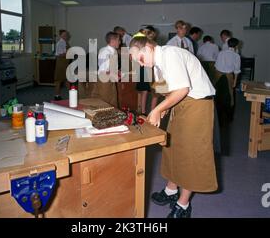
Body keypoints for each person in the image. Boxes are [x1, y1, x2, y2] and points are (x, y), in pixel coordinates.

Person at [129, 35, 217, 218]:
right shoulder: (158, 64)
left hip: (197, 105)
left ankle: (183, 205)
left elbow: (182, 89)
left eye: (141, 58)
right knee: (172, 147)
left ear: (148, 48)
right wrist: (160, 111)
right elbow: (167, 94)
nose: (141, 64)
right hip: (182, 105)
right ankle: (171, 191)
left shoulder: (170, 54)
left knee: (190, 154)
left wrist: (156, 110)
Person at [214, 38, 241, 128]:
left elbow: (216, 66)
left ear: (228, 44)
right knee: (229, 97)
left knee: (218, 96)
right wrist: (234, 82)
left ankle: (218, 118)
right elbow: (237, 71)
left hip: (218, 76)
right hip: (229, 76)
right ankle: (229, 118)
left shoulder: (221, 53)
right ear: (236, 46)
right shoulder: (236, 56)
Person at [89, 31, 120, 108]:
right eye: (118, 40)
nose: (120, 42)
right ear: (113, 41)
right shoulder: (105, 51)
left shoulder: (113, 51)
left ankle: (112, 119)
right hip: (104, 79)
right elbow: (103, 70)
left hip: (110, 78)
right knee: (105, 102)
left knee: (112, 101)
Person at [54, 29, 70, 100]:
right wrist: (70, 53)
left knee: (66, 79)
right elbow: (60, 55)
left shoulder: (65, 43)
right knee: (59, 80)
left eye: (66, 35)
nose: (66, 36)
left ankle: (72, 94)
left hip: (65, 63)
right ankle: (57, 96)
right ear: (60, 35)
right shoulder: (60, 43)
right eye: (64, 35)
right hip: (61, 63)